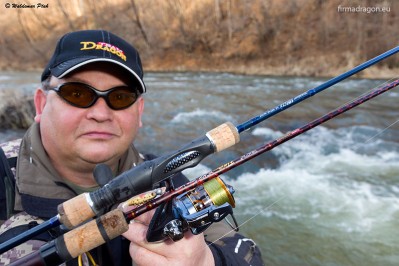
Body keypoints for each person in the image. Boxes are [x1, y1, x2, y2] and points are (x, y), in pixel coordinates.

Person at [0, 30, 263, 265]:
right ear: (41, 104)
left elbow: (247, 252)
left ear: (139, 112)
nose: (101, 113)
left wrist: (207, 261)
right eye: (77, 94)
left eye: (120, 97)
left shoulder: (168, 179)